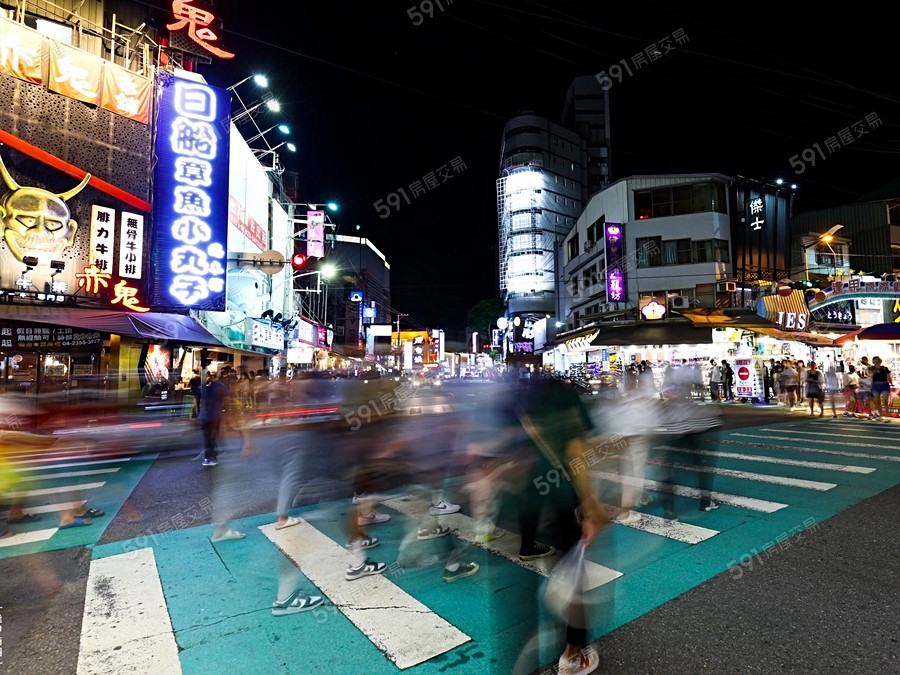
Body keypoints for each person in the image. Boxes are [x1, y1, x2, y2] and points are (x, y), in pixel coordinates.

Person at [511, 376, 610, 675]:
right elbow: (575, 452)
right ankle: (572, 653)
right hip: (562, 496)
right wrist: (591, 507)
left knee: (529, 590)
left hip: (527, 496)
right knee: (572, 572)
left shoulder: (524, 395)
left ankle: (524, 654)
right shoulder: (565, 396)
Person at [197, 369, 228, 466]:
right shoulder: (202, 387)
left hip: (214, 416)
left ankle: (211, 456)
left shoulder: (218, 386)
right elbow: (197, 401)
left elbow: (225, 399)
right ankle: (210, 456)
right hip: (208, 416)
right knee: (208, 437)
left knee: (211, 436)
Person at [869, 356, 892, 422]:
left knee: (885, 401)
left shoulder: (885, 368)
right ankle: (880, 416)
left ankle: (887, 416)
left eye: (877, 360)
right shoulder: (871, 368)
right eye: (874, 360)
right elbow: (870, 376)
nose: (876, 361)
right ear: (873, 361)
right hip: (875, 385)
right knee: (877, 402)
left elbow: (888, 377)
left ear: (880, 361)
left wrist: (890, 382)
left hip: (884, 384)